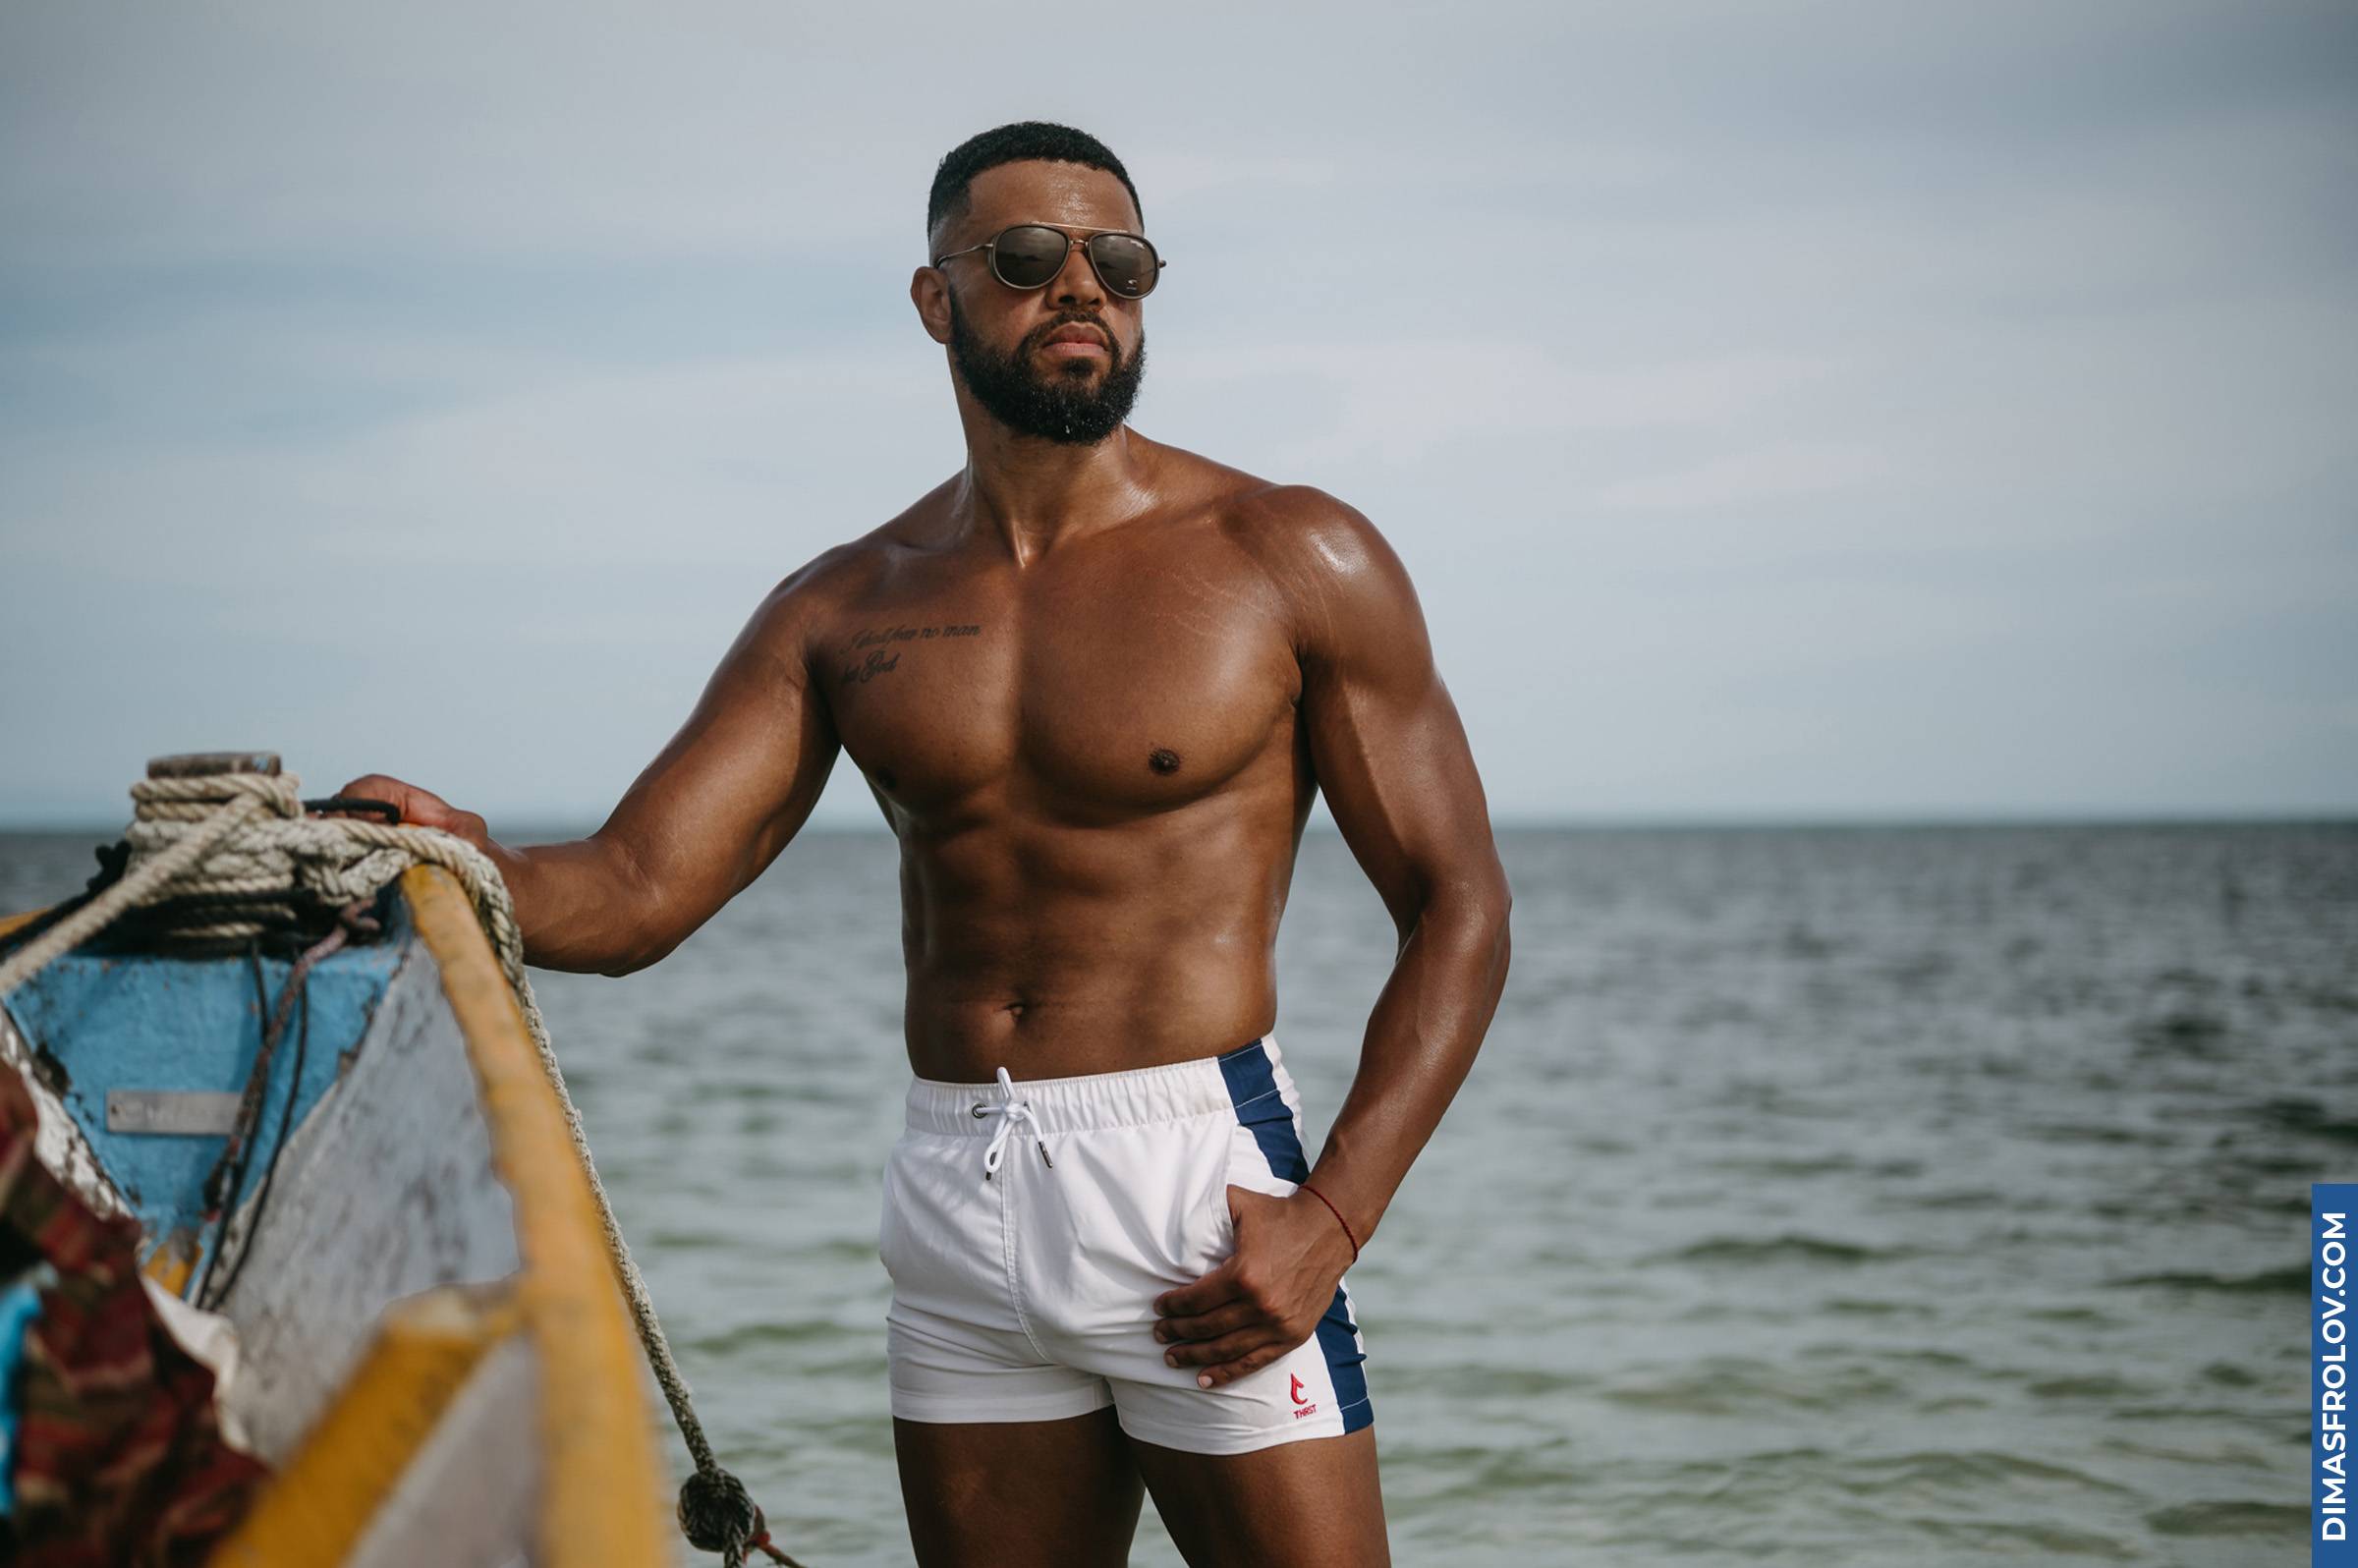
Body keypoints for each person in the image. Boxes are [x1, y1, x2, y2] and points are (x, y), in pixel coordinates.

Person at [344, 120, 1512, 1568]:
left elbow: (1459, 905)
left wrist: (1331, 1215)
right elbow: (636, 890)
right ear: (934, 298)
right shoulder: (847, 606)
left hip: (1200, 1193)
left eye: (1119, 262)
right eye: (1025, 258)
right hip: (961, 1197)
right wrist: (459, 855)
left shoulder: (1288, 554)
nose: (1079, 287)